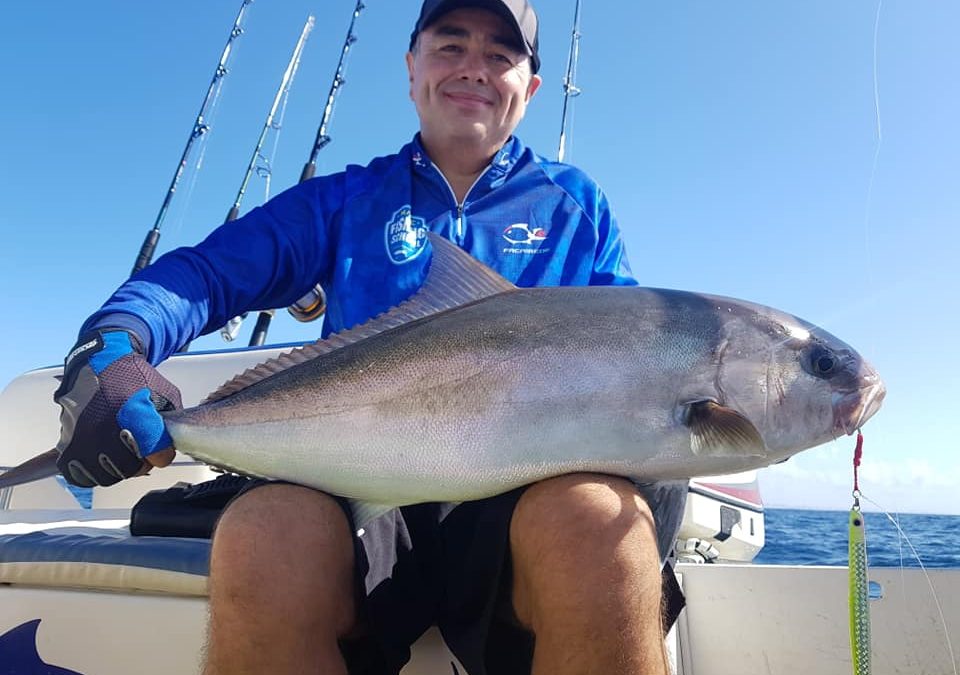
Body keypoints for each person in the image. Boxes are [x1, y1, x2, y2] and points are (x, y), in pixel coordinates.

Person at [53, 1, 687, 673]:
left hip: (526, 495)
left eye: (501, 55)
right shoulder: (347, 200)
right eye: (450, 46)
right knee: (264, 536)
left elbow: (634, 343)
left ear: (529, 89)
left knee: (601, 529)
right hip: (357, 477)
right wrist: (118, 340)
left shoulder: (576, 207)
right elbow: (208, 273)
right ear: (411, 69)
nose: (474, 68)